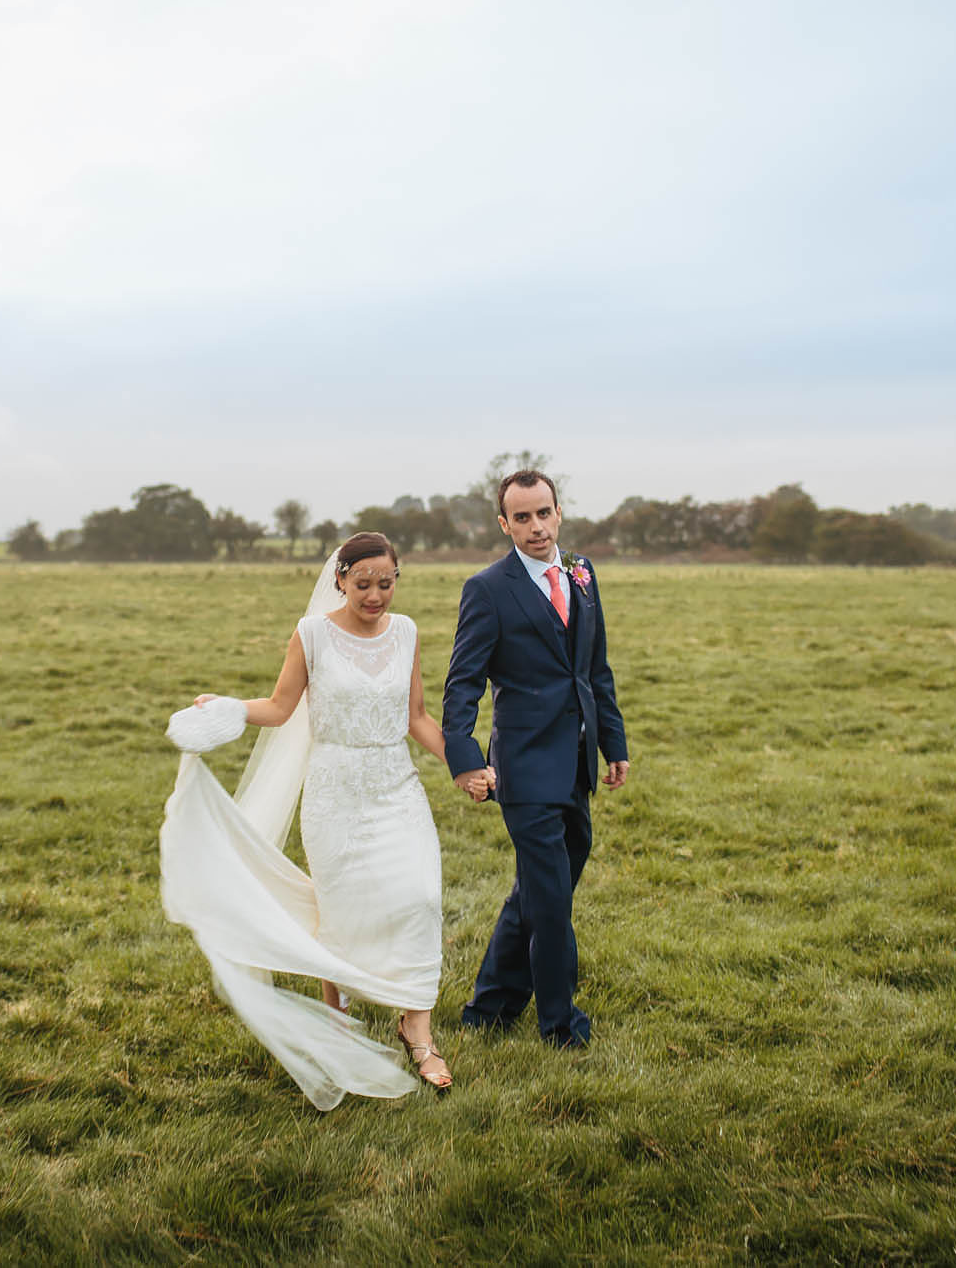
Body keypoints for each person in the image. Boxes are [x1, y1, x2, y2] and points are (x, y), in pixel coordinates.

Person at [158, 532, 462, 1105]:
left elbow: (417, 716)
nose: (375, 596)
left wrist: (466, 764)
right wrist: (225, 708)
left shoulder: (407, 633)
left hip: (397, 787)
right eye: (364, 583)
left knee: (421, 896)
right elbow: (278, 708)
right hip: (335, 793)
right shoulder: (314, 634)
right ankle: (337, 1019)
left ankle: (417, 1029)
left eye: (386, 583)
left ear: (398, 578)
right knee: (342, 908)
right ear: (340, 579)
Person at [443, 470, 629, 1048]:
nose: (535, 526)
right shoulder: (488, 588)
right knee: (550, 903)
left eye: (542, 513)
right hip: (522, 767)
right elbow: (462, 684)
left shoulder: (581, 572)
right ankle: (559, 1024)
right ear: (504, 524)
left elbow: (594, 668)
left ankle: (490, 1008)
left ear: (558, 513)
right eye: (520, 518)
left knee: (540, 890)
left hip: (576, 760)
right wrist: (465, 758)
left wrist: (612, 744)